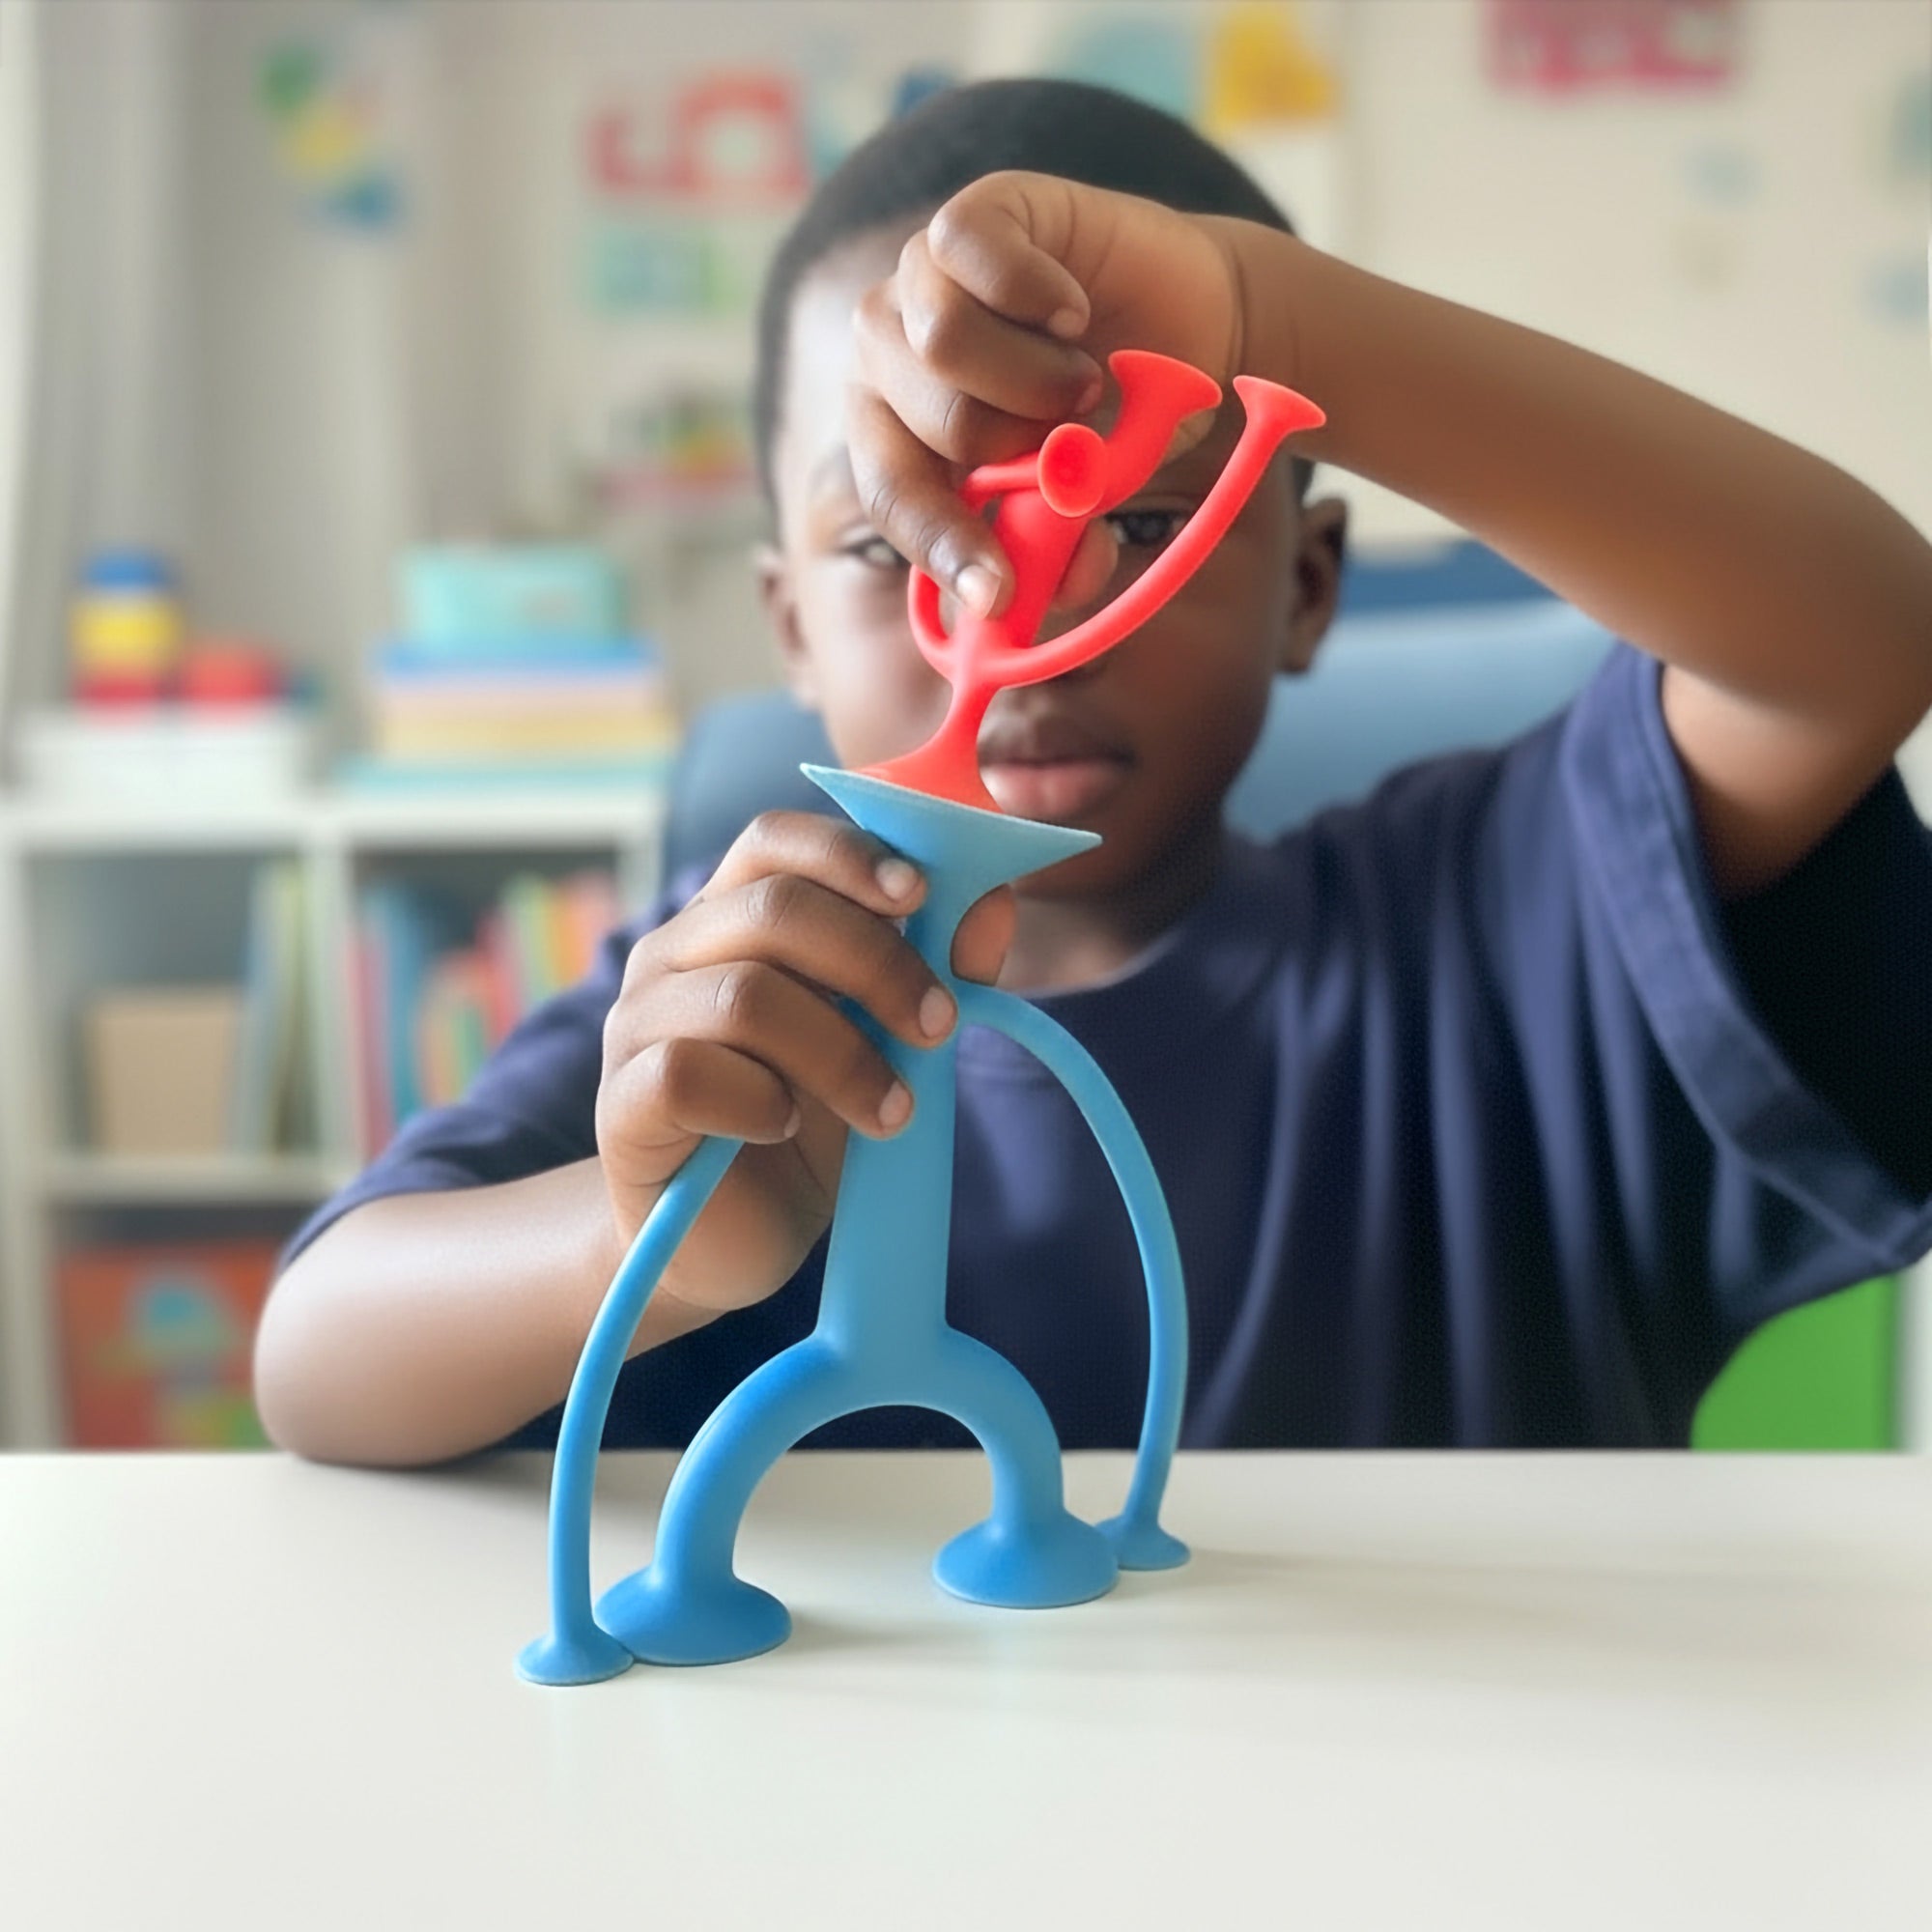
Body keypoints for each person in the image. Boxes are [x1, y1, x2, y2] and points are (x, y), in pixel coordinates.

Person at [255, 79, 1932, 1466]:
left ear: (1308, 585)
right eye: (899, 543)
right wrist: (635, 1244)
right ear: (787, 626)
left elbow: (1855, 645)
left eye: (1142, 522)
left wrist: (1268, 320)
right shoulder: (723, 1026)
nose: (1027, 617)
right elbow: (312, 1364)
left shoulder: (1500, 935)